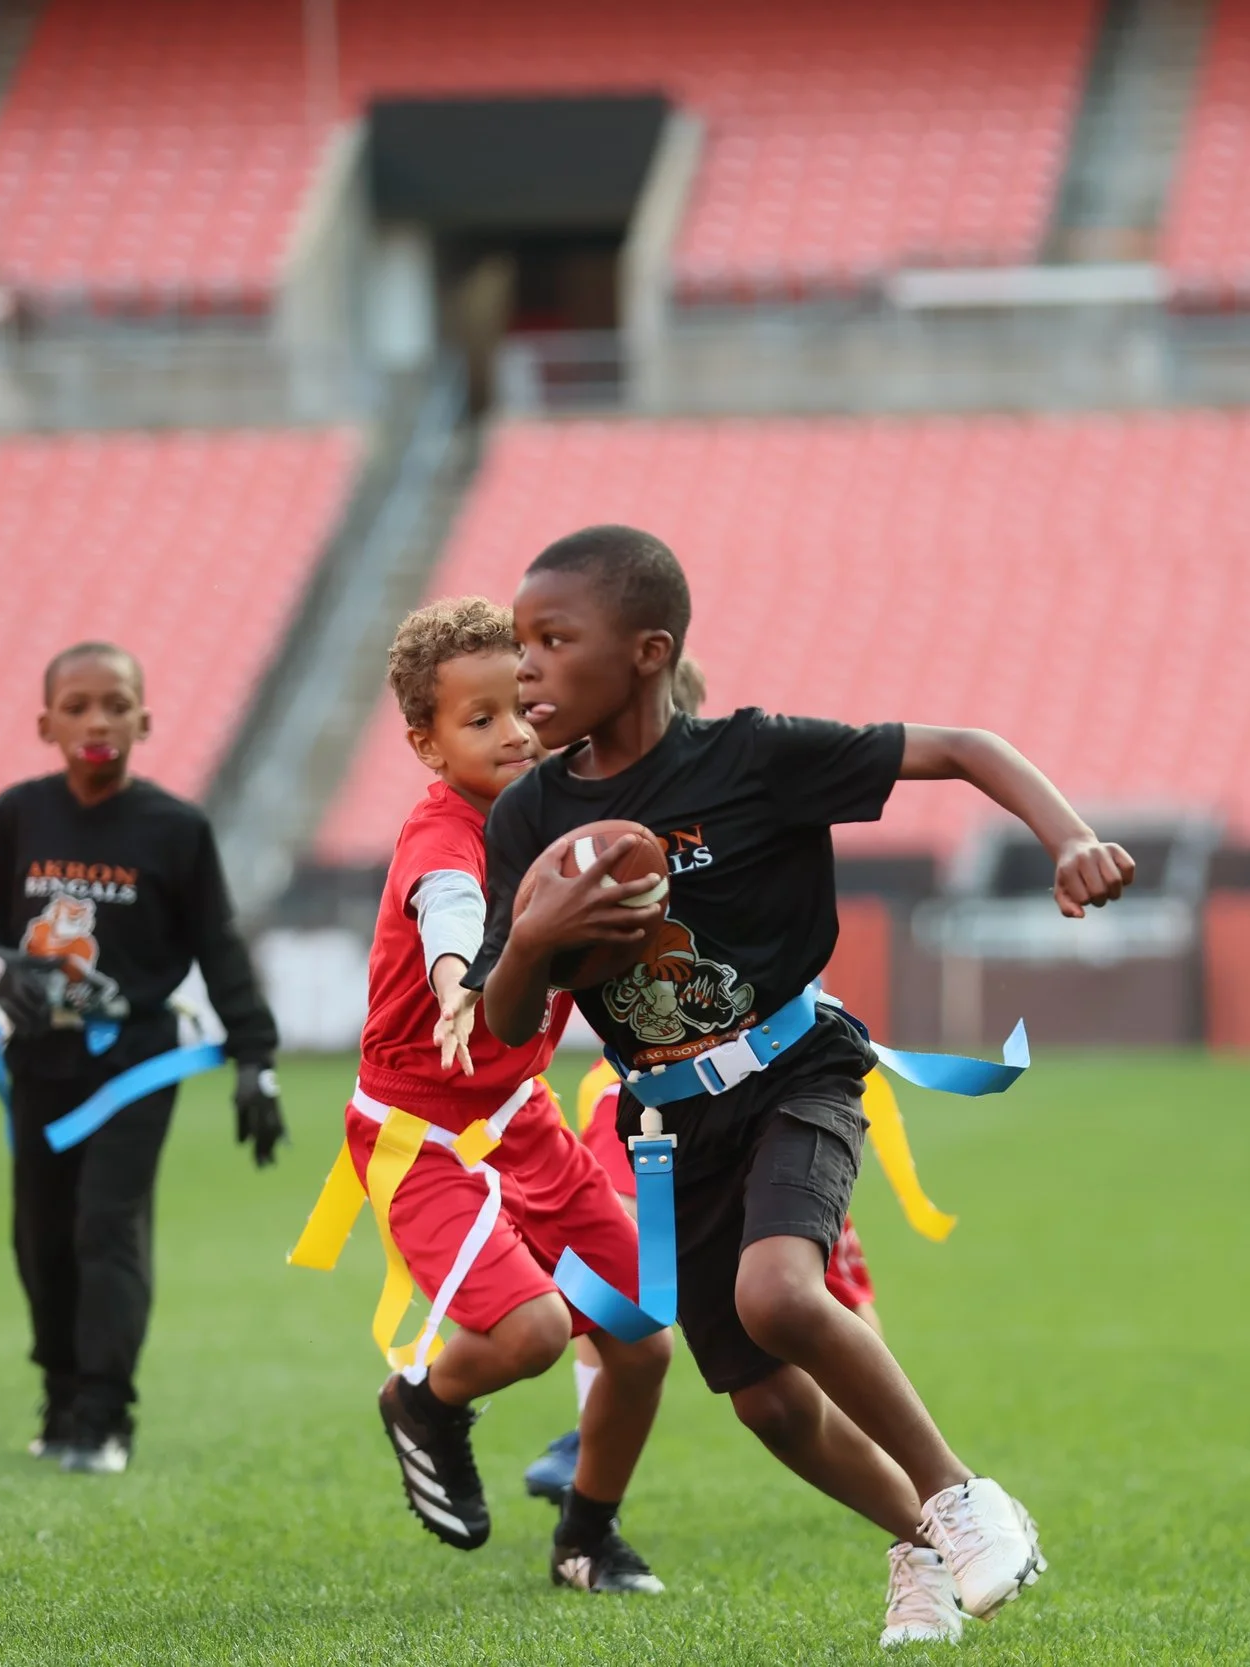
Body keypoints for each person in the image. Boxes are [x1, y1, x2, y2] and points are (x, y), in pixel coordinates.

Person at [467, 525, 1135, 1646]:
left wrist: (1066, 836)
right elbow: (501, 1017)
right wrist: (532, 940)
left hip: (795, 1068)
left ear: (646, 650)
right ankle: (924, 1551)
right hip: (673, 1122)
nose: (520, 665)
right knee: (768, 1400)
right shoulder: (526, 820)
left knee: (777, 1295)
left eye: (550, 638)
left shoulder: (753, 756)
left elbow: (964, 745)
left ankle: (968, 1498)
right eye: (515, 641)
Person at [351, 596, 669, 1592]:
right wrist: (458, 981)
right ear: (424, 740)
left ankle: (585, 1538)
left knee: (641, 1334)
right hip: (418, 1135)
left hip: (519, 1120)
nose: (510, 733)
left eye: (518, 709)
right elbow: (448, 908)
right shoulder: (443, 830)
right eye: (475, 718)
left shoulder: (566, 812)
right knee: (529, 1331)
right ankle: (422, 1400)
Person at [524, 654, 882, 1506]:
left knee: (804, 1285)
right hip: (644, 1103)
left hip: (779, 1074)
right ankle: (589, 1437)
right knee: (630, 1276)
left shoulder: (737, 781)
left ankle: (915, 1464)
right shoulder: (546, 821)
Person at [0, 642, 285, 1475]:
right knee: (39, 1236)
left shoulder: (176, 829)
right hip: (39, 1061)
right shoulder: (18, 815)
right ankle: (59, 1396)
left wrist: (255, 1059)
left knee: (106, 1223)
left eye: (116, 704)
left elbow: (220, 947)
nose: (98, 721)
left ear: (145, 719)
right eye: (79, 705)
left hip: (135, 1061)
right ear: (45, 721)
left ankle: (104, 1414)